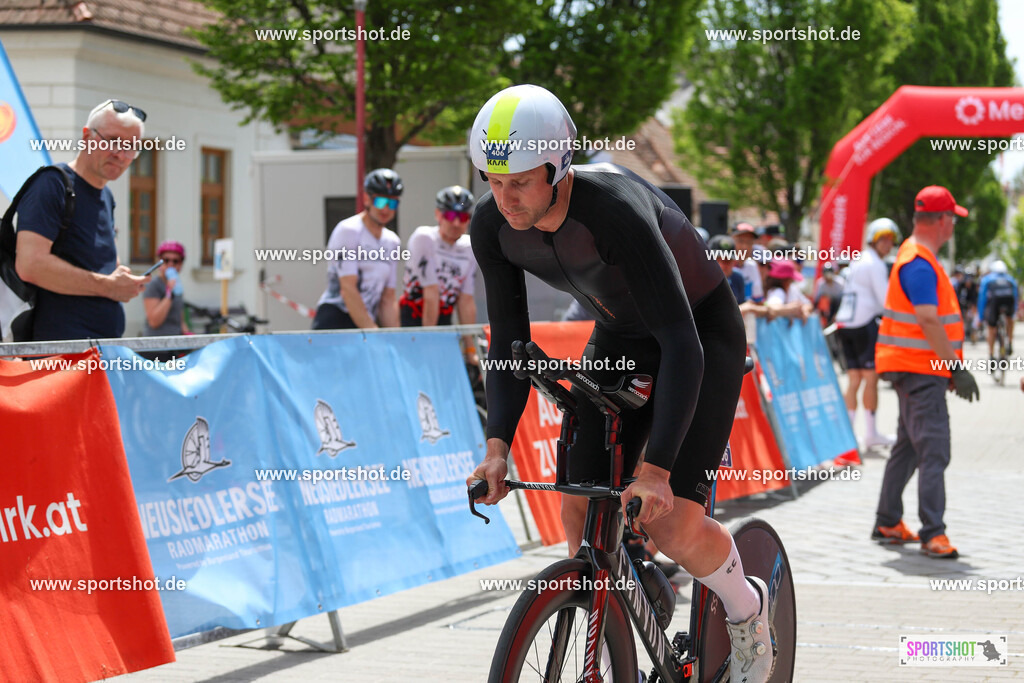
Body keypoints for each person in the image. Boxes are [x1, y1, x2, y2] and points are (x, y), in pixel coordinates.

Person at [465, 84, 773, 680]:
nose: (505, 198)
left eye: (520, 181)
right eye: (493, 180)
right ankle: (609, 627)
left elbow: (681, 343)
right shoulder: (491, 224)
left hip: (699, 335)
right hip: (620, 336)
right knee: (579, 505)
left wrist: (655, 471)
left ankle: (748, 613)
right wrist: (497, 447)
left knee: (673, 524)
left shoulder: (614, 210)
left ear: (558, 166)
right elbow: (508, 342)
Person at [873, 185, 980, 559]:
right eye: (953, 218)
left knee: (908, 447)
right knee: (934, 449)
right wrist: (956, 367)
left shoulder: (914, 256)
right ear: (942, 220)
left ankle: (888, 520)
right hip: (920, 372)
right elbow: (928, 318)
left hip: (912, 369)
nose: (954, 226)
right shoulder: (919, 262)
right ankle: (933, 533)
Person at [14, 99, 150, 340]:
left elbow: (101, 265)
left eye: (131, 147)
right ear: (87, 136)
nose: (120, 154)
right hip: (59, 351)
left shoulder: (106, 196)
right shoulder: (52, 184)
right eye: (112, 141)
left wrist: (122, 279)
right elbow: (30, 265)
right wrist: (108, 286)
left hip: (101, 348)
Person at [836, 218, 899, 449]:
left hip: (845, 324)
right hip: (864, 324)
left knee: (854, 380)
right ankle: (870, 434)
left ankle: (849, 435)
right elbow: (885, 300)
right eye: (884, 239)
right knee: (870, 379)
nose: (888, 244)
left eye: (891, 240)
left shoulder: (858, 260)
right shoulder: (875, 263)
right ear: (874, 239)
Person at [312, 169, 402, 330]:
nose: (386, 209)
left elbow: (387, 298)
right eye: (381, 201)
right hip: (337, 318)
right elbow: (348, 288)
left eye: (392, 203)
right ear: (367, 199)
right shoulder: (349, 230)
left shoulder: (392, 241)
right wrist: (372, 331)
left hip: (366, 321)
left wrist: (395, 337)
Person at [400, 186, 478, 328]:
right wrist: (430, 337)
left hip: (444, 318)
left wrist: (470, 341)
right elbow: (431, 293)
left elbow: (465, 300)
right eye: (450, 216)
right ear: (438, 215)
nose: (456, 223)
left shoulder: (469, 247)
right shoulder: (424, 237)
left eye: (462, 217)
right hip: (414, 317)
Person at [142, 241, 191, 336]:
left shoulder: (177, 285)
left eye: (175, 261)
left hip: (175, 340)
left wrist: (187, 333)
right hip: (157, 341)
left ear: (181, 264)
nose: (170, 264)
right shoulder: (153, 285)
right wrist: (169, 294)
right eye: (166, 260)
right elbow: (154, 321)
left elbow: (179, 318)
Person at [977, 260, 1018, 362]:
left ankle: (991, 355)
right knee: (1010, 320)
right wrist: (1014, 313)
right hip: (1009, 302)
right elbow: (1015, 296)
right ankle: (1010, 342)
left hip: (994, 304)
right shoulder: (1010, 279)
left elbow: (982, 298)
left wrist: (981, 317)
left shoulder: (987, 279)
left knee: (991, 328)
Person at [730, 222, 764, 304]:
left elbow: (758, 300)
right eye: (740, 241)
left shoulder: (751, 266)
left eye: (749, 242)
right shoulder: (723, 266)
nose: (744, 247)